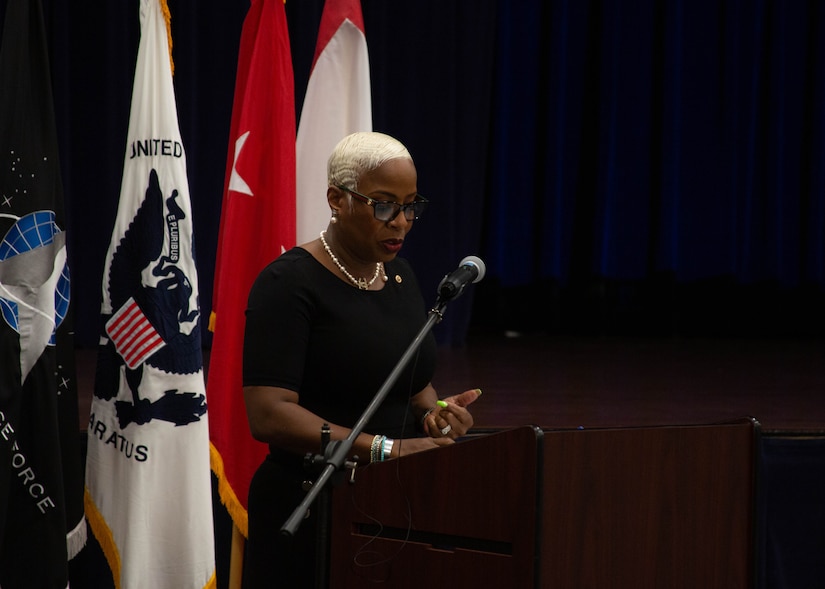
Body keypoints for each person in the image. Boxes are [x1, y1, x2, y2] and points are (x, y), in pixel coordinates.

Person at [242, 131, 480, 587]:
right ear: (337, 198)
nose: (402, 222)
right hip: (312, 499)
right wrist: (384, 448)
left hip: (396, 499)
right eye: (385, 205)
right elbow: (269, 415)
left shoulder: (398, 275)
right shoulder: (288, 284)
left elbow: (408, 378)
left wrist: (435, 413)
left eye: (411, 205)